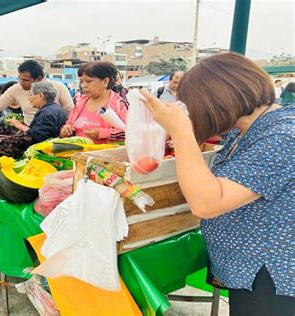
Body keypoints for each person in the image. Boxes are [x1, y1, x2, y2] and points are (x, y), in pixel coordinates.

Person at [140, 52, 294, 315]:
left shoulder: (282, 135)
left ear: (218, 101)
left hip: (271, 275)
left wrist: (181, 131)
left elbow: (207, 203)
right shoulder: (249, 128)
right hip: (249, 268)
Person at [60, 62, 127, 144]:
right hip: (78, 154)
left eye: (89, 81)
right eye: (81, 81)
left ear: (105, 81)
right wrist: (67, 129)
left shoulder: (120, 105)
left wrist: (102, 133)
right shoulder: (80, 102)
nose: (83, 85)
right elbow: (69, 124)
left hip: (104, 155)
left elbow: (130, 133)